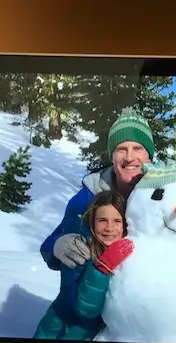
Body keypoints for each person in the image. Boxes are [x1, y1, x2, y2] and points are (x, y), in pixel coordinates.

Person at [39, 107, 154, 274]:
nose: (129, 157)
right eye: (121, 149)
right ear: (112, 155)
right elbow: (48, 246)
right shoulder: (89, 195)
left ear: (149, 156)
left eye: (138, 148)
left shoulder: (164, 195)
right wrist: (58, 245)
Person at [33, 191, 133, 340]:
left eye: (117, 221)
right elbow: (84, 310)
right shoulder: (79, 252)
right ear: (92, 222)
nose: (109, 228)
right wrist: (102, 268)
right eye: (102, 220)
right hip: (59, 330)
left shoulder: (129, 256)